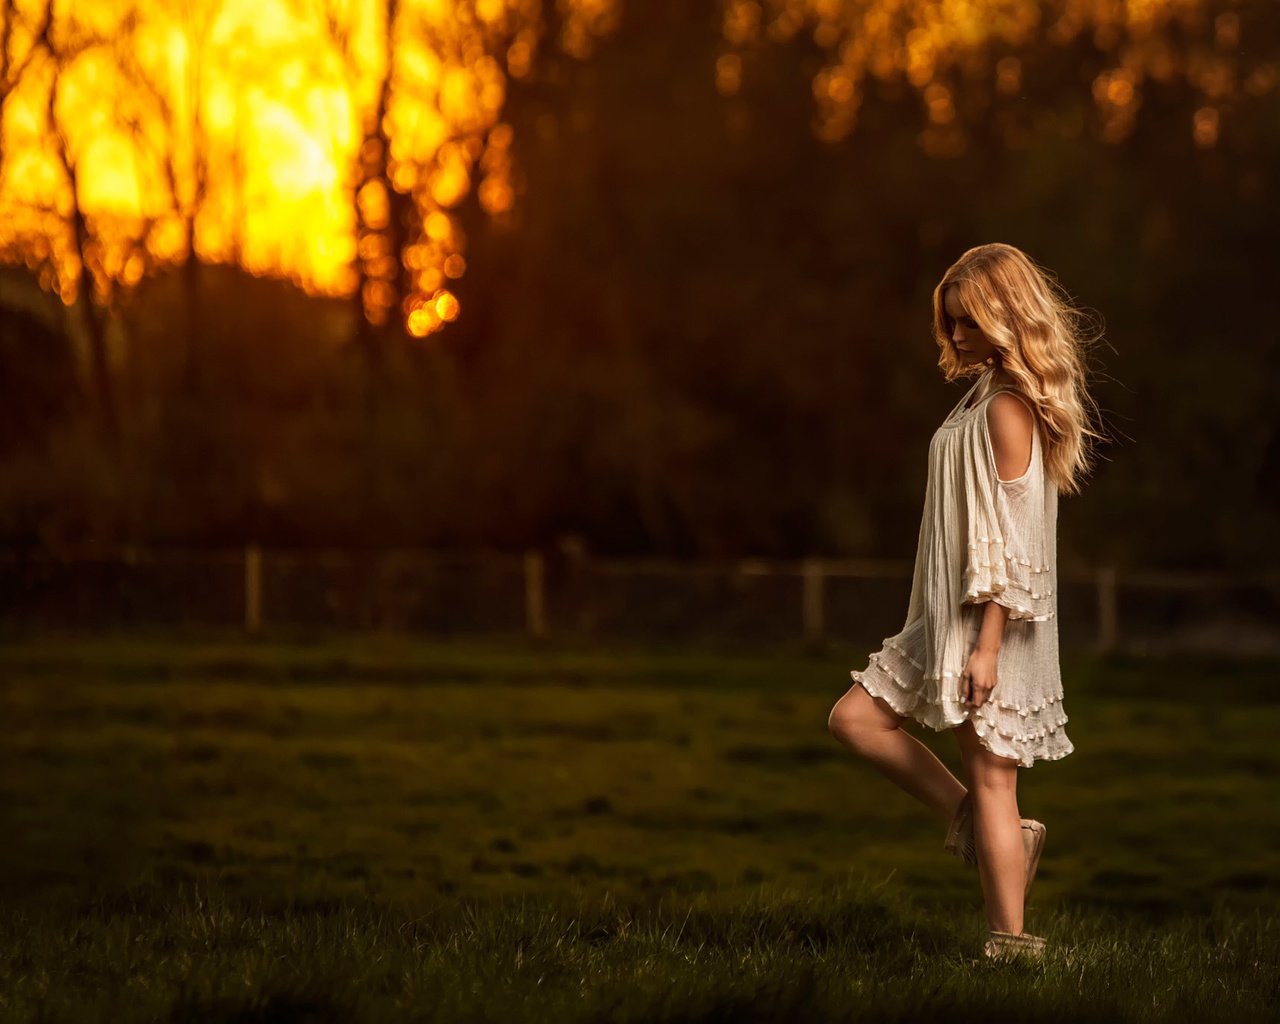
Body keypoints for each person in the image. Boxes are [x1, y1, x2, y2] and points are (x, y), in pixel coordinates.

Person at [827, 243, 1105, 963]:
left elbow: (1017, 546)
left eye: (968, 323)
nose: (954, 337)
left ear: (1005, 318)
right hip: (944, 617)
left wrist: (986, 646)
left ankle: (1012, 946)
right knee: (855, 721)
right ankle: (985, 831)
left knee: (992, 779)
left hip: (989, 625)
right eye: (948, 322)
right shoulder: (981, 392)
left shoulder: (1010, 408)